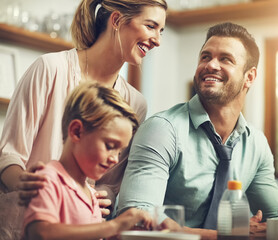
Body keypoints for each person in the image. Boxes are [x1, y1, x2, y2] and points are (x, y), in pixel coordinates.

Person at [0, 0, 167, 239]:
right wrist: (33, 185)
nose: (158, 40)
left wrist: (97, 197)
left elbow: (110, 184)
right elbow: (9, 155)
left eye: (161, 31)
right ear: (117, 20)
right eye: (151, 26)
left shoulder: (135, 103)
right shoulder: (50, 69)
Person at [116, 22, 278, 239]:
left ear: (250, 77)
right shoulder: (162, 129)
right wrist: (226, 236)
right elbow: (135, 219)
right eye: (205, 57)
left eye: (225, 59)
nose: (210, 65)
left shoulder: (256, 144)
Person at [22, 81, 152, 240]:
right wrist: (113, 225)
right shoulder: (47, 179)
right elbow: (41, 232)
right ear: (76, 131)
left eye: (119, 152)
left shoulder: (91, 194)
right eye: (110, 146)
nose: (115, 159)